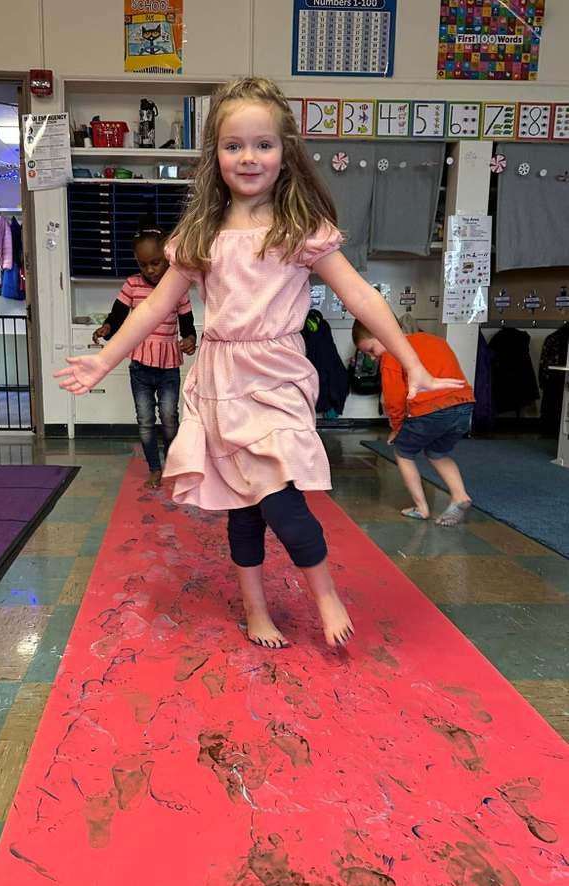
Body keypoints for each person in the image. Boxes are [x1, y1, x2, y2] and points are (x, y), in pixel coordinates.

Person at [55, 77, 464, 648]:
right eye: (233, 145)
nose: (249, 157)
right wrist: (104, 360)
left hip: (276, 378)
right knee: (242, 505)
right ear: (215, 154)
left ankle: (324, 591)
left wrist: (411, 361)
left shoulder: (301, 228)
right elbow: (155, 307)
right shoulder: (201, 233)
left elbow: (361, 296)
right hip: (221, 380)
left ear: (285, 152)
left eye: (263, 144)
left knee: (280, 496)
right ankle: (255, 609)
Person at [92, 223, 197, 488]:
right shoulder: (132, 285)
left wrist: (190, 339)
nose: (150, 270)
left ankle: (173, 464)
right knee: (146, 419)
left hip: (168, 366)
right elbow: (117, 315)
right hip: (139, 367)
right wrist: (107, 327)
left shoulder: (177, 286)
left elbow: (187, 322)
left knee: (170, 416)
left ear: (167, 258)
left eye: (156, 263)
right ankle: (154, 468)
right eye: (143, 265)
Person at [352, 319, 475, 526]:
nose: (373, 357)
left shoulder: (393, 352)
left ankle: (421, 508)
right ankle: (459, 495)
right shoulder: (436, 341)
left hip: (431, 409)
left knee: (403, 452)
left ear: (384, 332)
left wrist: (397, 428)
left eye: (372, 349)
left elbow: (393, 397)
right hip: (464, 406)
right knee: (437, 453)